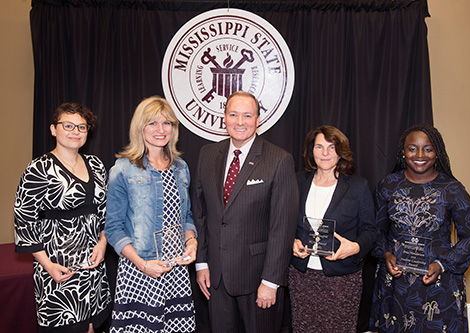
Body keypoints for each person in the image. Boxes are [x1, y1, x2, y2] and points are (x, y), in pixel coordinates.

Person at [193, 91, 299, 333]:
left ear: (258, 120)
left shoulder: (279, 160)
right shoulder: (207, 155)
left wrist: (271, 281)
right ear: (224, 118)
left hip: (258, 279)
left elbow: (282, 227)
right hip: (215, 279)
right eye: (233, 114)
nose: (240, 122)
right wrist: (201, 264)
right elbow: (200, 214)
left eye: (247, 115)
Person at [370, 124, 470, 332]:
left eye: (428, 149)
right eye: (412, 148)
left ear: (437, 153)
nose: (420, 154)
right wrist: (386, 254)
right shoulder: (387, 186)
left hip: (439, 285)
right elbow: (376, 230)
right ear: (403, 153)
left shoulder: (453, 189)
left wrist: (442, 263)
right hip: (396, 285)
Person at [14, 103, 111, 332]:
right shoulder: (38, 168)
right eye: (68, 125)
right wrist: (47, 265)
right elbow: (24, 220)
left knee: (91, 326)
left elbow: (107, 211)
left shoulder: (96, 165)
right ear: (53, 129)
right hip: (58, 268)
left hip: (93, 264)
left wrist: (103, 242)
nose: (75, 131)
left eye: (82, 127)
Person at [104, 96, 197, 332]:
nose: (161, 129)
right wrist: (143, 264)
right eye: (152, 123)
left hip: (175, 271)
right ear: (140, 127)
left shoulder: (181, 167)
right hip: (140, 269)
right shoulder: (123, 169)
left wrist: (192, 240)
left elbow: (186, 216)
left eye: (167, 123)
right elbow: (113, 228)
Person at [289, 125, 377, 332]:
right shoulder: (296, 181)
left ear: (341, 152)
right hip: (301, 277)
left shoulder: (358, 186)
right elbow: (284, 222)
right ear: (312, 151)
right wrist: (290, 241)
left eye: (331, 147)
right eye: (319, 147)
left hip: (342, 280)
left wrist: (355, 247)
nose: (325, 153)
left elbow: (371, 232)